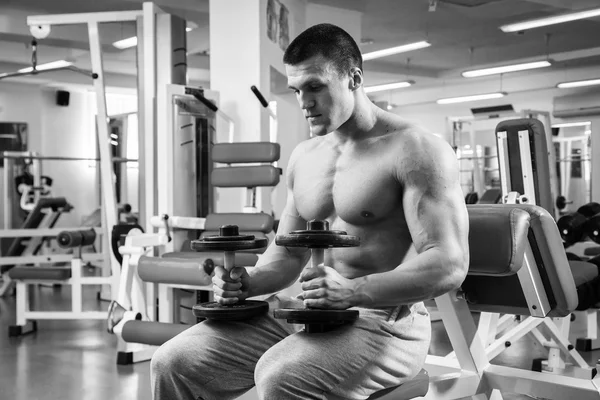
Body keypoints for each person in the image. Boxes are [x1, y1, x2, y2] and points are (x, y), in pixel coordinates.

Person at [151, 23, 469, 400]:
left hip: (383, 323)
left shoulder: (416, 150)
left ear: (354, 78)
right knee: (174, 360)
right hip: (303, 312)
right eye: (297, 90)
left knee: (280, 376)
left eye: (315, 87)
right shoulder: (305, 157)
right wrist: (248, 283)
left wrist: (354, 290)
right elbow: (287, 254)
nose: (304, 102)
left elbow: (447, 263)